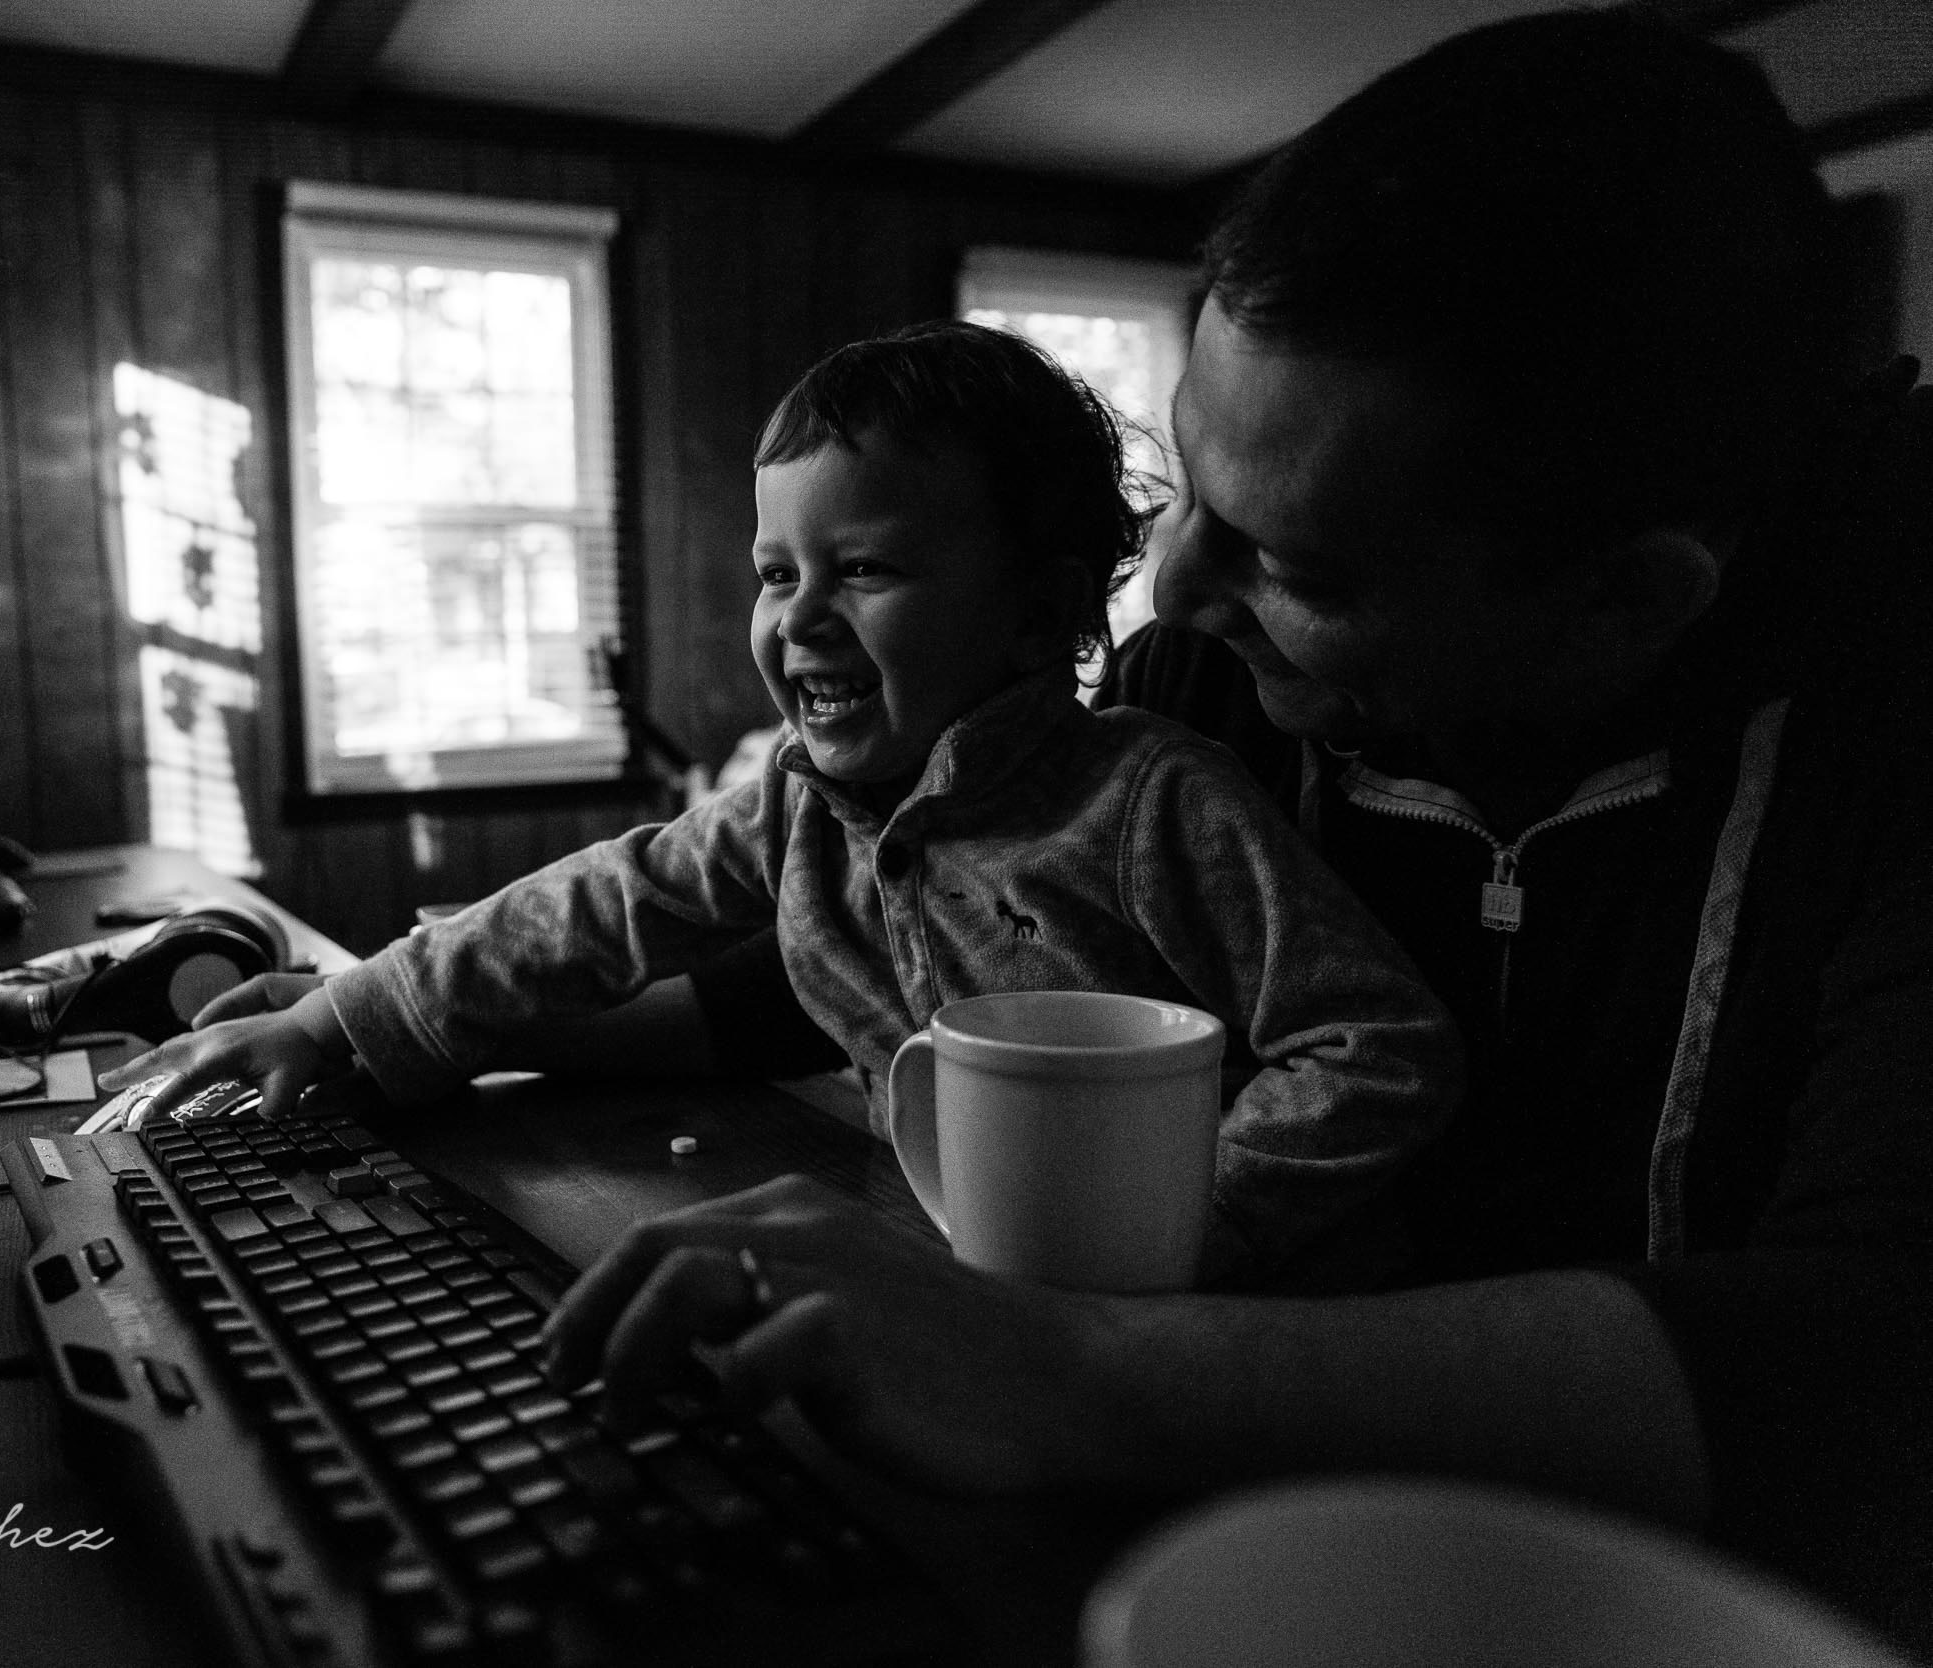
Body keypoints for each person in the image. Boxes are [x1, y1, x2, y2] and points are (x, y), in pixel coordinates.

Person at [539, 10, 1933, 1655]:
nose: (1175, 594)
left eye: (1301, 568)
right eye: (1190, 486)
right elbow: (977, 938)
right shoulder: (1202, 676)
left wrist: (1068, 1366)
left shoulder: (1895, 715)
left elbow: (1874, 1356)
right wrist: (463, 1043)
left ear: (1630, 600)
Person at [107, 320, 1462, 1286]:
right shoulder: (801, 802)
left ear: (1044, 603)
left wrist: (1180, 1234)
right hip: (956, 1265)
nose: (799, 617)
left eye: (863, 569)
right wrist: (339, 1018)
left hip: (1239, 1327)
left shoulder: (1156, 801)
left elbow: (1375, 1048)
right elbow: (593, 910)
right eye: (774, 573)